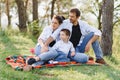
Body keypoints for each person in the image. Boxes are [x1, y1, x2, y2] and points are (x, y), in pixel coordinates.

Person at [42, 8, 106, 64]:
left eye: (72, 16)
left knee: (93, 34)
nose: (70, 18)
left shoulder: (83, 24)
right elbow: (54, 35)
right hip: (69, 49)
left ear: (78, 17)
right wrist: (45, 45)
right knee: (84, 58)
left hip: (79, 46)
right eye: (69, 16)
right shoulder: (65, 23)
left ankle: (99, 58)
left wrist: (89, 43)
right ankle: (76, 57)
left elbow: (98, 32)